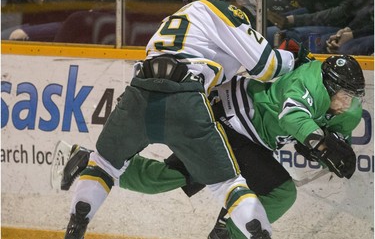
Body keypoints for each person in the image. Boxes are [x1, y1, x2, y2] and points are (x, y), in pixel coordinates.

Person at [62, 0, 310, 239]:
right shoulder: (224, 10)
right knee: (228, 185)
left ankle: (75, 228)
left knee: (103, 165)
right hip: (185, 99)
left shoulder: (173, 20)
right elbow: (266, 67)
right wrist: (293, 57)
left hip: (138, 94)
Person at [60, 54, 364, 239]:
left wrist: (334, 154)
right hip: (231, 121)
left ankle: (90, 162)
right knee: (281, 192)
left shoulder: (346, 108)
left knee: (167, 178)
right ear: (328, 83)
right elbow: (292, 115)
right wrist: (319, 143)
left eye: (352, 97)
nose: (346, 103)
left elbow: (334, 143)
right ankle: (226, 235)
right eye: (343, 95)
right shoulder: (309, 81)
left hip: (234, 126)